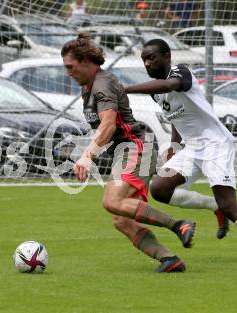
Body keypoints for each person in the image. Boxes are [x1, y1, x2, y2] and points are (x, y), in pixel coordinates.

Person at [124, 38, 237, 265]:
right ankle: (214, 206)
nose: (147, 63)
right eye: (144, 59)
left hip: (215, 145)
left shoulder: (180, 72)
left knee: (229, 204)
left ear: (167, 56)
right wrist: (174, 146)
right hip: (192, 147)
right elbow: (177, 118)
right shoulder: (157, 91)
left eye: (151, 58)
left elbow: (170, 85)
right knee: (160, 188)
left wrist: (126, 89)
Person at [61, 33, 196, 273]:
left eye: (70, 67)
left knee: (112, 201)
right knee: (121, 218)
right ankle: (169, 259)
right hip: (124, 151)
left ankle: (179, 225)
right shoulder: (89, 87)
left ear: (85, 61)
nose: (68, 72)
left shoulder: (102, 84)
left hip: (135, 148)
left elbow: (109, 124)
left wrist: (87, 155)